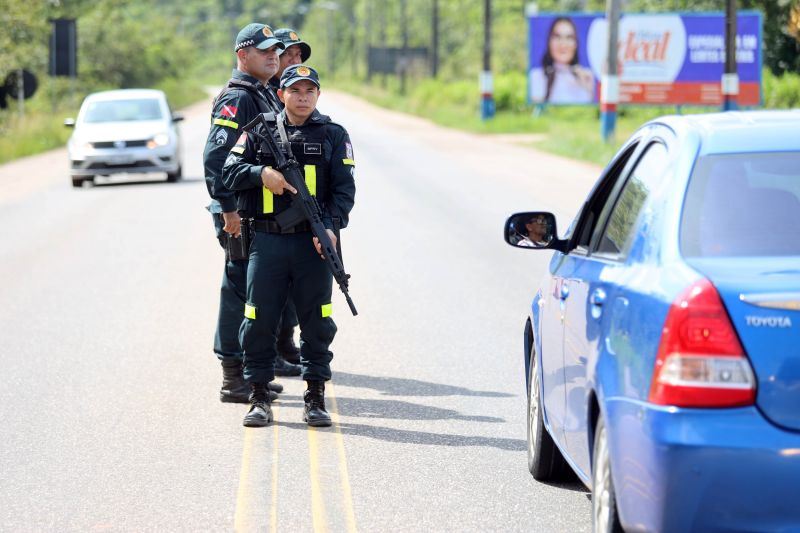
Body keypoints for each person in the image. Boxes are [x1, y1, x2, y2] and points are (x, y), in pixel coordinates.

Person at [222, 65, 356, 428]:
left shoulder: (333, 134)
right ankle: (259, 396)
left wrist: (328, 226)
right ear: (281, 94)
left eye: (309, 90)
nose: (302, 96)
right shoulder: (259, 131)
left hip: (313, 246)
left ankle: (314, 396)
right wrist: (260, 174)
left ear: (318, 95)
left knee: (317, 320)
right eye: (295, 90)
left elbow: (344, 192)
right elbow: (228, 171)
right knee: (258, 319)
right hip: (266, 242)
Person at [202, 22, 289, 404]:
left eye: (276, 50)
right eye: (265, 50)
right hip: (239, 212)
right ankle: (232, 378)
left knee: (258, 292)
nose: (274, 55)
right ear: (243, 54)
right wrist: (227, 208)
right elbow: (216, 157)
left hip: (255, 211)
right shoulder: (238, 98)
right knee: (238, 290)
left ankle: (254, 371)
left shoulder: (262, 93)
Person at [263, 27, 314, 375]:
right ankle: (254, 364)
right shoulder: (260, 94)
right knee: (263, 294)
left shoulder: (297, 97)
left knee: (296, 291)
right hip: (263, 210)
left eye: (299, 56)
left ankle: (285, 343)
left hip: (298, 211)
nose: (294, 60)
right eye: (289, 55)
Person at [530, 17, 594, 104]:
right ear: (549, 42)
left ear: (576, 44)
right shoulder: (536, 77)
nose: (563, 44)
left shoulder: (587, 77)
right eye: (557, 37)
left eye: (569, 37)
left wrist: (589, 90)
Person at [269, 28, 312, 93]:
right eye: (287, 53)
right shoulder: (265, 91)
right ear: (274, 57)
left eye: (298, 54)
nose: (295, 61)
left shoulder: (302, 88)